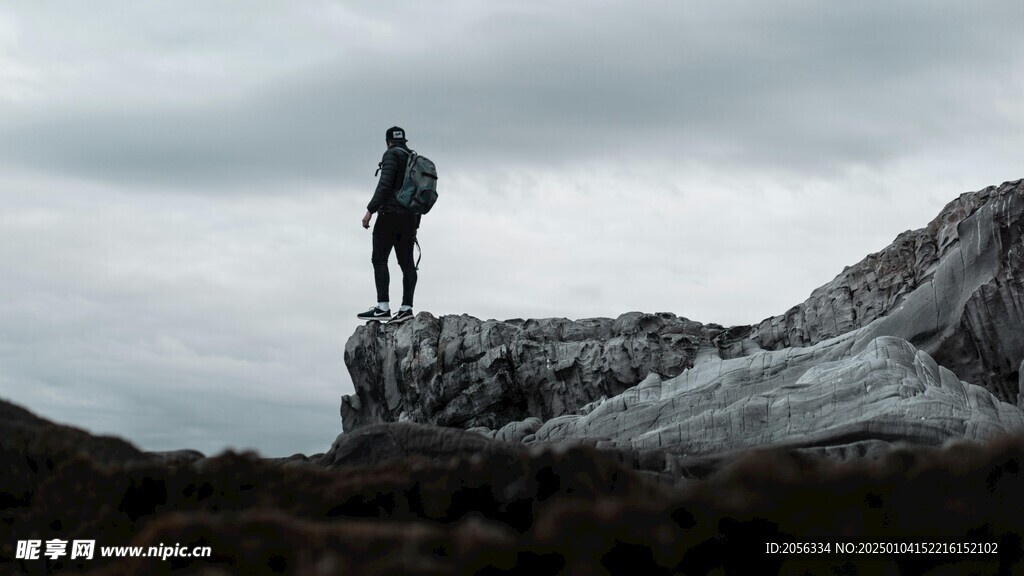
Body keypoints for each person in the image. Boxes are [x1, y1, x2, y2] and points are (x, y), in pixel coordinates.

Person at [358, 126, 420, 324]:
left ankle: (383, 307)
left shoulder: (391, 155)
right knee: (407, 263)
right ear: (404, 141)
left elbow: (384, 185)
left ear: (388, 142)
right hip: (410, 217)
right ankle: (406, 308)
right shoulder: (412, 158)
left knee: (379, 259)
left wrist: (370, 210)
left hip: (389, 215)